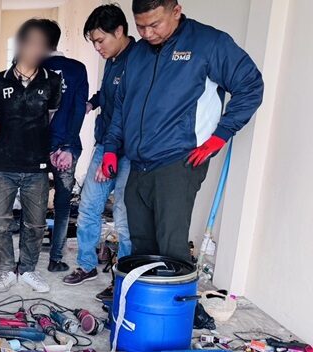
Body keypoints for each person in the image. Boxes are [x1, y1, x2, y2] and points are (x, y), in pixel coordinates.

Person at [102, 0, 264, 263]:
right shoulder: (138, 53)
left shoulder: (208, 43)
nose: (147, 33)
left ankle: (178, 291)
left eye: (155, 24)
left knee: (171, 247)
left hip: (178, 160)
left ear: (176, 12)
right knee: (141, 246)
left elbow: (250, 85)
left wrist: (221, 135)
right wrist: (111, 147)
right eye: (140, 26)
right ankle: (147, 291)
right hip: (138, 163)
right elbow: (122, 104)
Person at [0, 19, 64, 293]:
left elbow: (48, 118)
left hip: (36, 166)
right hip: (3, 165)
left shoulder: (52, 81)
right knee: (1, 223)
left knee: (36, 223)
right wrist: (1, 145)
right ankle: (7, 270)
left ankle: (27, 269)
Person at [63, 4, 135, 300]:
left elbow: (128, 110)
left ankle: (124, 280)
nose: (97, 47)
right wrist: (92, 103)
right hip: (105, 143)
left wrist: (112, 155)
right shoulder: (112, 60)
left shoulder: (140, 60)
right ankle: (86, 265)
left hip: (129, 151)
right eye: (93, 42)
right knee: (89, 206)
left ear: (119, 31)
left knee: (123, 216)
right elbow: (109, 96)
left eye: (100, 40)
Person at [41, 20, 89, 273]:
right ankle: (55, 259)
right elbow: (79, 110)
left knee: (33, 205)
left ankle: (27, 260)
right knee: (62, 206)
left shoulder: (30, 68)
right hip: (67, 150)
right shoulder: (77, 69)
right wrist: (67, 146)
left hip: (37, 150)